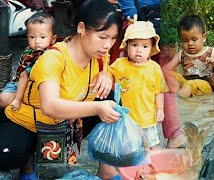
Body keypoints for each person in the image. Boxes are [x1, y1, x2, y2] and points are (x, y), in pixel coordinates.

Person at [0, 0, 124, 179]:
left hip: (62, 125)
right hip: (26, 122)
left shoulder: (98, 56)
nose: (107, 45)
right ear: (81, 28)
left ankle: (107, 170)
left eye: (113, 38)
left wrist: (106, 74)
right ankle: (28, 159)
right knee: (9, 155)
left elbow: (107, 76)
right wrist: (97, 107)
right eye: (103, 37)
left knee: (113, 99)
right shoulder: (53, 59)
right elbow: (49, 106)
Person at [109, 20, 168, 149]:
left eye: (145, 46)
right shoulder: (119, 64)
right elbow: (107, 74)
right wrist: (103, 76)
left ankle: (152, 166)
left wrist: (160, 109)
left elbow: (159, 91)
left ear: (151, 48)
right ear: (127, 45)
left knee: (151, 147)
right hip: (126, 119)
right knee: (128, 148)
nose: (139, 50)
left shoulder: (154, 68)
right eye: (134, 45)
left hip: (147, 118)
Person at [0, 12, 57, 110]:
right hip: (18, 84)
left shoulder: (50, 55)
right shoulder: (29, 52)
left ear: (53, 39)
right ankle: (18, 99)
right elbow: (21, 76)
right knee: (3, 100)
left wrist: (18, 99)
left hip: (36, 88)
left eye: (42, 37)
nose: (37, 41)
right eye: (32, 37)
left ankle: (19, 100)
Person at [162, 14, 214, 98]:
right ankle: (175, 94)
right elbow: (166, 69)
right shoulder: (181, 54)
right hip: (186, 82)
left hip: (205, 85)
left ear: (204, 37)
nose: (190, 43)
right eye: (185, 41)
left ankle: (177, 100)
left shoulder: (210, 52)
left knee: (190, 85)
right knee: (170, 75)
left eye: (194, 40)